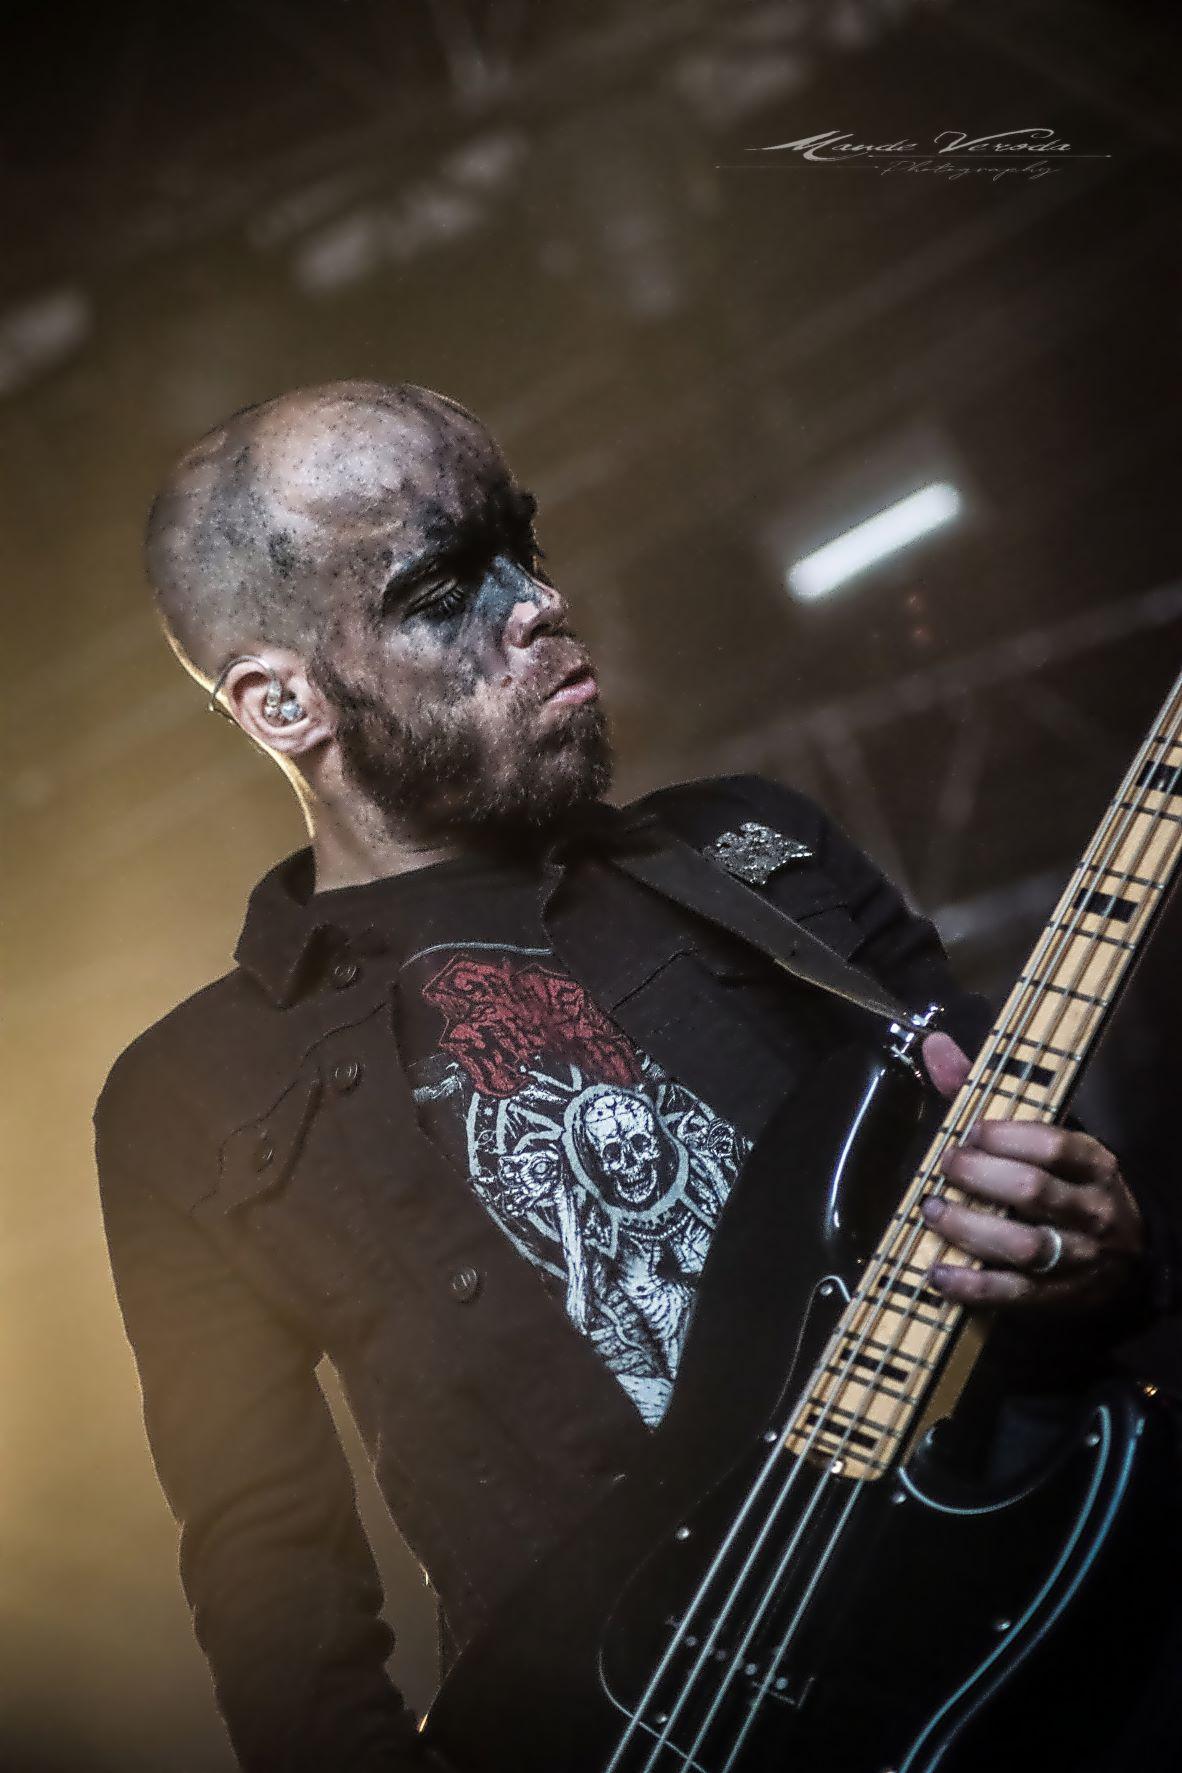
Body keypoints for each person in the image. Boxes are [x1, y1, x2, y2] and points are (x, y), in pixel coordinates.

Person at [95, 381, 1172, 1773]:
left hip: (1031, 1635)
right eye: (445, 589)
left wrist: (1094, 1243)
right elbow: (272, 1587)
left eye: (523, 547)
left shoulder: (755, 850)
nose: (539, 603)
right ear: (281, 699)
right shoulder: (187, 1098)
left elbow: (1052, 1203)